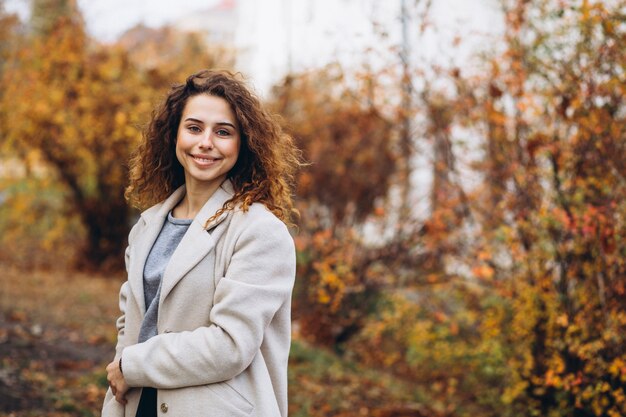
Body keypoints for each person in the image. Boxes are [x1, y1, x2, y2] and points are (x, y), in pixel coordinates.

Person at [102, 69, 300, 417]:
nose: (205, 142)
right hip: (135, 405)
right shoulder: (148, 225)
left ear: (243, 144)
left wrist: (131, 364)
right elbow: (130, 320)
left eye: (223, 132)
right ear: (175, 135)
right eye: (194, 128)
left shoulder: (259, 231)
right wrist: (120, 379)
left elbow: (230, 345)